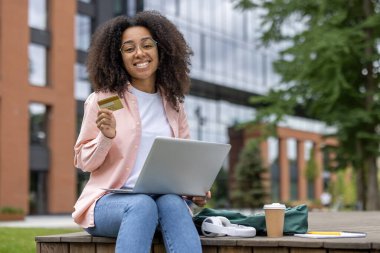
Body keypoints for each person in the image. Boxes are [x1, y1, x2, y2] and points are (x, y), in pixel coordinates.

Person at [73, 11, 211, 253]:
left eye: (147, 45)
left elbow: (184, 161)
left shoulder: (174, 104)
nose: (139, 53)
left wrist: (194, 188)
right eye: (129, 48)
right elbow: (83, 161)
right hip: (108, 204)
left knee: (174, 203)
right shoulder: (104, 100)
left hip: (160, 201)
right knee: (141, 204)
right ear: (118, 57)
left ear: (161, 51)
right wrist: (105, 137)